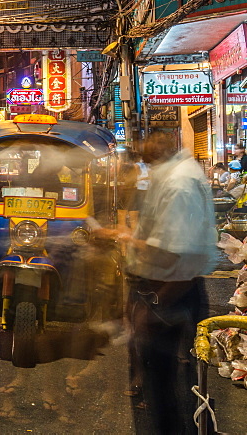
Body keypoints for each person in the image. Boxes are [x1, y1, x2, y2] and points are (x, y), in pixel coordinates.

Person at [105, 131, 214, 434]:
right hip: (169, 289)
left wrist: (157, 305)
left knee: (167, 388)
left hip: (171, 292)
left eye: (144, 153)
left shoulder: (177, 183)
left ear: (158, 151)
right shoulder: (174, 174)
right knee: (168, 383)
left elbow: (180, 252)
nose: (141, 157)